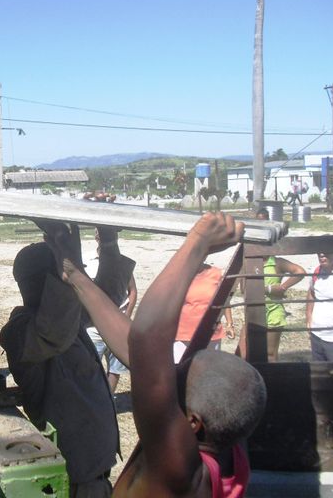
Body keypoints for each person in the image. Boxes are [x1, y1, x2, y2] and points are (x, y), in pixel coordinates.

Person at [40, 213, 266, 498]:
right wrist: (75, 276)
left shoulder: (179, 468)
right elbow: (142, 356)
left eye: (178, 377)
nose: (170, 372)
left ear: (192, 424)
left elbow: (147, 340)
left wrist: (198, 244)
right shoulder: (228, 446)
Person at [0, 240, 119, 498]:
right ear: (47, 282)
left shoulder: (69, 320)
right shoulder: (21, 332)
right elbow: (53, 332)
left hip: (94, 474)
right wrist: (66, 253)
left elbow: (108, 301)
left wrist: (109, 242)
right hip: (71, 481)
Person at [84, 227, 137, 393]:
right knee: (91, 367)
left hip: (116, 324)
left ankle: (108, 400)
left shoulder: (122, 262)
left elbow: (133, 290)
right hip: (93, 326)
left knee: (114, 369)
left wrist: (125, 317)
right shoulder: (86, 260)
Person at [173, 264, 236, 363]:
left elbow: (225, 300)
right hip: (183, 334)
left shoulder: (216, 274)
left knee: (210, 368)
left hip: (211, 332)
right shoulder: (179, 274)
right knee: (180, 368)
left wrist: (230, 324)